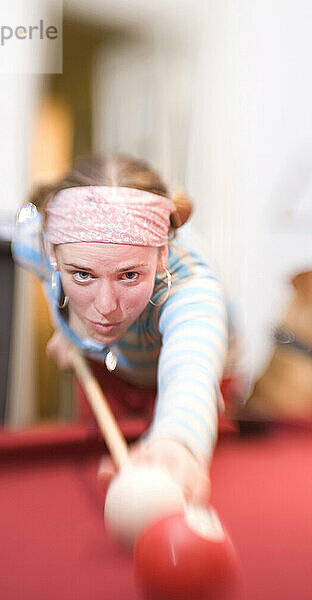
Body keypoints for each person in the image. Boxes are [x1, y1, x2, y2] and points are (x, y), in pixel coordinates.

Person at [12, 154, 228, 505]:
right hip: (107, 369)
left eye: (130, 275)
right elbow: (48, 280)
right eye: (82, 274)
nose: (106, 307)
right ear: (51, 252)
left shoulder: (191, 287)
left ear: (161, 256)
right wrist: (67, 328)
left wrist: (178, 440)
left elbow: (192, 368)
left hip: (171, 376)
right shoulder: (29, 243)